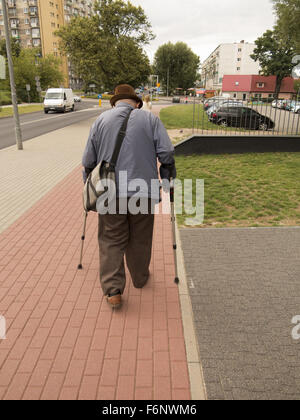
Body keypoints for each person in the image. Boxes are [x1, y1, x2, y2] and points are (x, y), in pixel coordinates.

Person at [82, 84, 176, 309]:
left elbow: (88, 160)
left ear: (115, 102)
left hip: (108, 192)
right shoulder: (150, 120)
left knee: (111, 239)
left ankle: (113, 291)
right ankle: (140, 278)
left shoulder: (101, 120)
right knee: (140, 237)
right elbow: (166, 153)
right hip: (142, 191)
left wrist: (88, 185)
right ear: (135, 102)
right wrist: (167, 181)